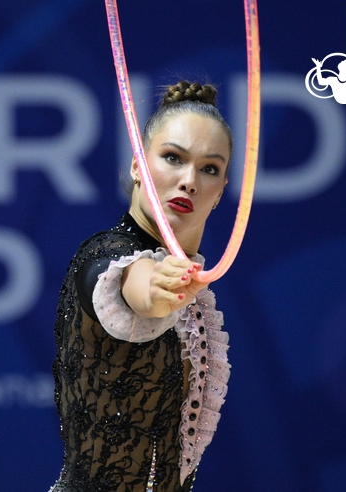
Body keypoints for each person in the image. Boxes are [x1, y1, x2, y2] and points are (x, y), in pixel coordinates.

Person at [50, 81, 231, 492]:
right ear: (137, 165)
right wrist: (155, 290)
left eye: (209, 169)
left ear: (220, 192)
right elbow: (138, 286)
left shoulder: (192, 287)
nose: (189, 181)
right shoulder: (110, 256)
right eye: (172, 158)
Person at [312, 5, 346, 104]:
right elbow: (321, 82)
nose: (345, 59)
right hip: (345, 98)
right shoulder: (333, 80)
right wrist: (318, 67)